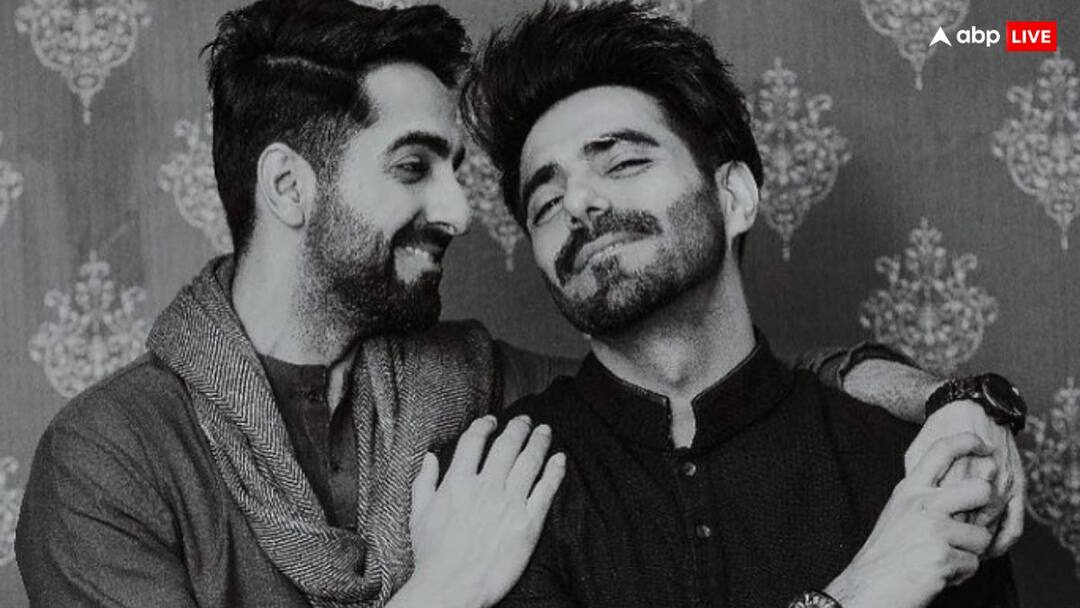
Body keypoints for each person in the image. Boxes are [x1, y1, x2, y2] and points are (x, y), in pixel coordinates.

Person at [15, 1, 1022, 607]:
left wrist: (946, 405)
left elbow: (704, 388)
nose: (460, 212)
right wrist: (442, 592)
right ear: (288, 186)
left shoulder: (474, 390)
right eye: (413, 166)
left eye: (458, 172)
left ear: (734, 194)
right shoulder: (112, 459)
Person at [458, 3, 1022, 607]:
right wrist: (864, 590)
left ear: (734, 197)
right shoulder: (497, 487)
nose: (577, 203)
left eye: (623, 163)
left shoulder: (917, 466)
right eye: (545, 203)